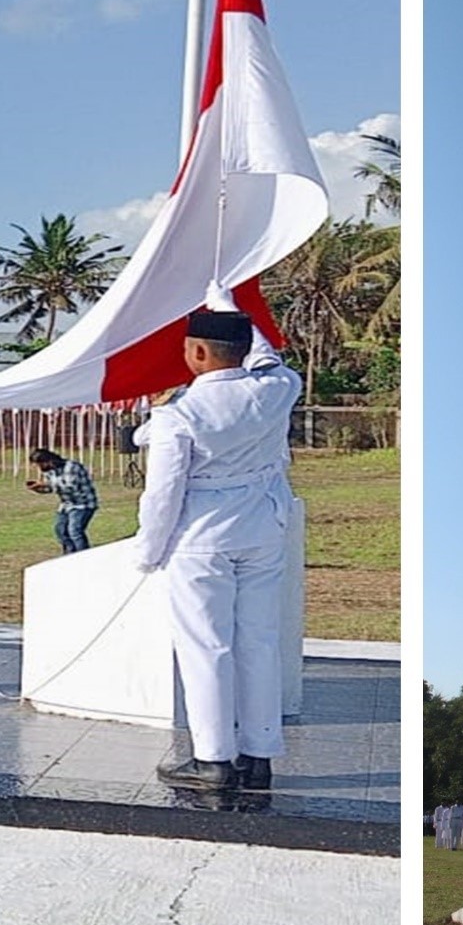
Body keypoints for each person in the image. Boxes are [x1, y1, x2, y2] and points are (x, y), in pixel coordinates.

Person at [135, 309, 302, 801]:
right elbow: (271, 361)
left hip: (202, 539)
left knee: (206, 646)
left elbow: (162, 494)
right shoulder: (277, 390)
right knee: (259, 641)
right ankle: (259, 755)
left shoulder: (179, 415)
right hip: (263, 529)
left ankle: (212, 760)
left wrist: (149, 552)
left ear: (198, 353)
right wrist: (227, 303)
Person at [27, 446, 100, 552]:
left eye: (40, 464)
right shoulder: (49, 471)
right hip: (67, 504)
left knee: (75, 531)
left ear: (49, 460)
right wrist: (39, 489)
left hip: (83, 504)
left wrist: (46, 484)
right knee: (60, 531)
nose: (40, 467)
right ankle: (70, 554)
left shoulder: (71, 467)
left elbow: (71, 487)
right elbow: (51, 488)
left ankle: (83, 555)